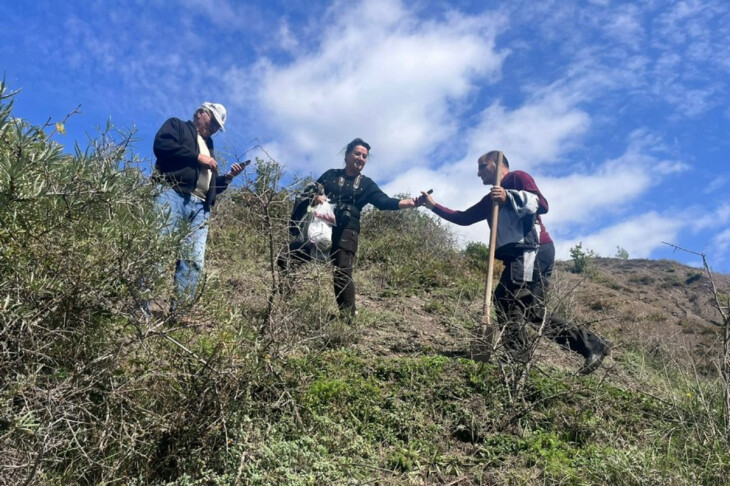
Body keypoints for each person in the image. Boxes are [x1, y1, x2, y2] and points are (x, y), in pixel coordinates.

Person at [420, 151, 612, 374]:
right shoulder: (490, 197)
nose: (478, 173)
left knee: (505, 300)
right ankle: (593, 344)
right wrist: (432, 205)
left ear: (494, 164)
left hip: (532, 250)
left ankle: (516, 358)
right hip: (524, 254)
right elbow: (464, 218)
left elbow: (542, 204)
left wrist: (508, 197)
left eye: (481, 167)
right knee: (532, 312)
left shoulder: (517, 178)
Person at [280, 138, 424, 318]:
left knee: (342, 271)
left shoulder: (366, 184)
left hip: (347, 231)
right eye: (357, 154)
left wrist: (412, 202)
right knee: (288, 256)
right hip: (321, 229)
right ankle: (281, 300)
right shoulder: (330, 175)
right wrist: (316, 198)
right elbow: (308, 192)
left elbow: (384, 202)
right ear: (347, 155)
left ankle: (347, 319)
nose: (361, 158)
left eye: (365, 156)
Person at [152, 102, 245, 307]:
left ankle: (181, 312)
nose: (213, 130)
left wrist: (228, 177)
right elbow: (161, 145)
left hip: (201, 207)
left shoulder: (209, 146)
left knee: (193, 259)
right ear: (201, 113)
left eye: (216, 129)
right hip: (172, 194)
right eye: (213, 124)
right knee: (155, 249)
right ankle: (140, 309)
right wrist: (197, 157)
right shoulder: (177, 125)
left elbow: (212, 187)